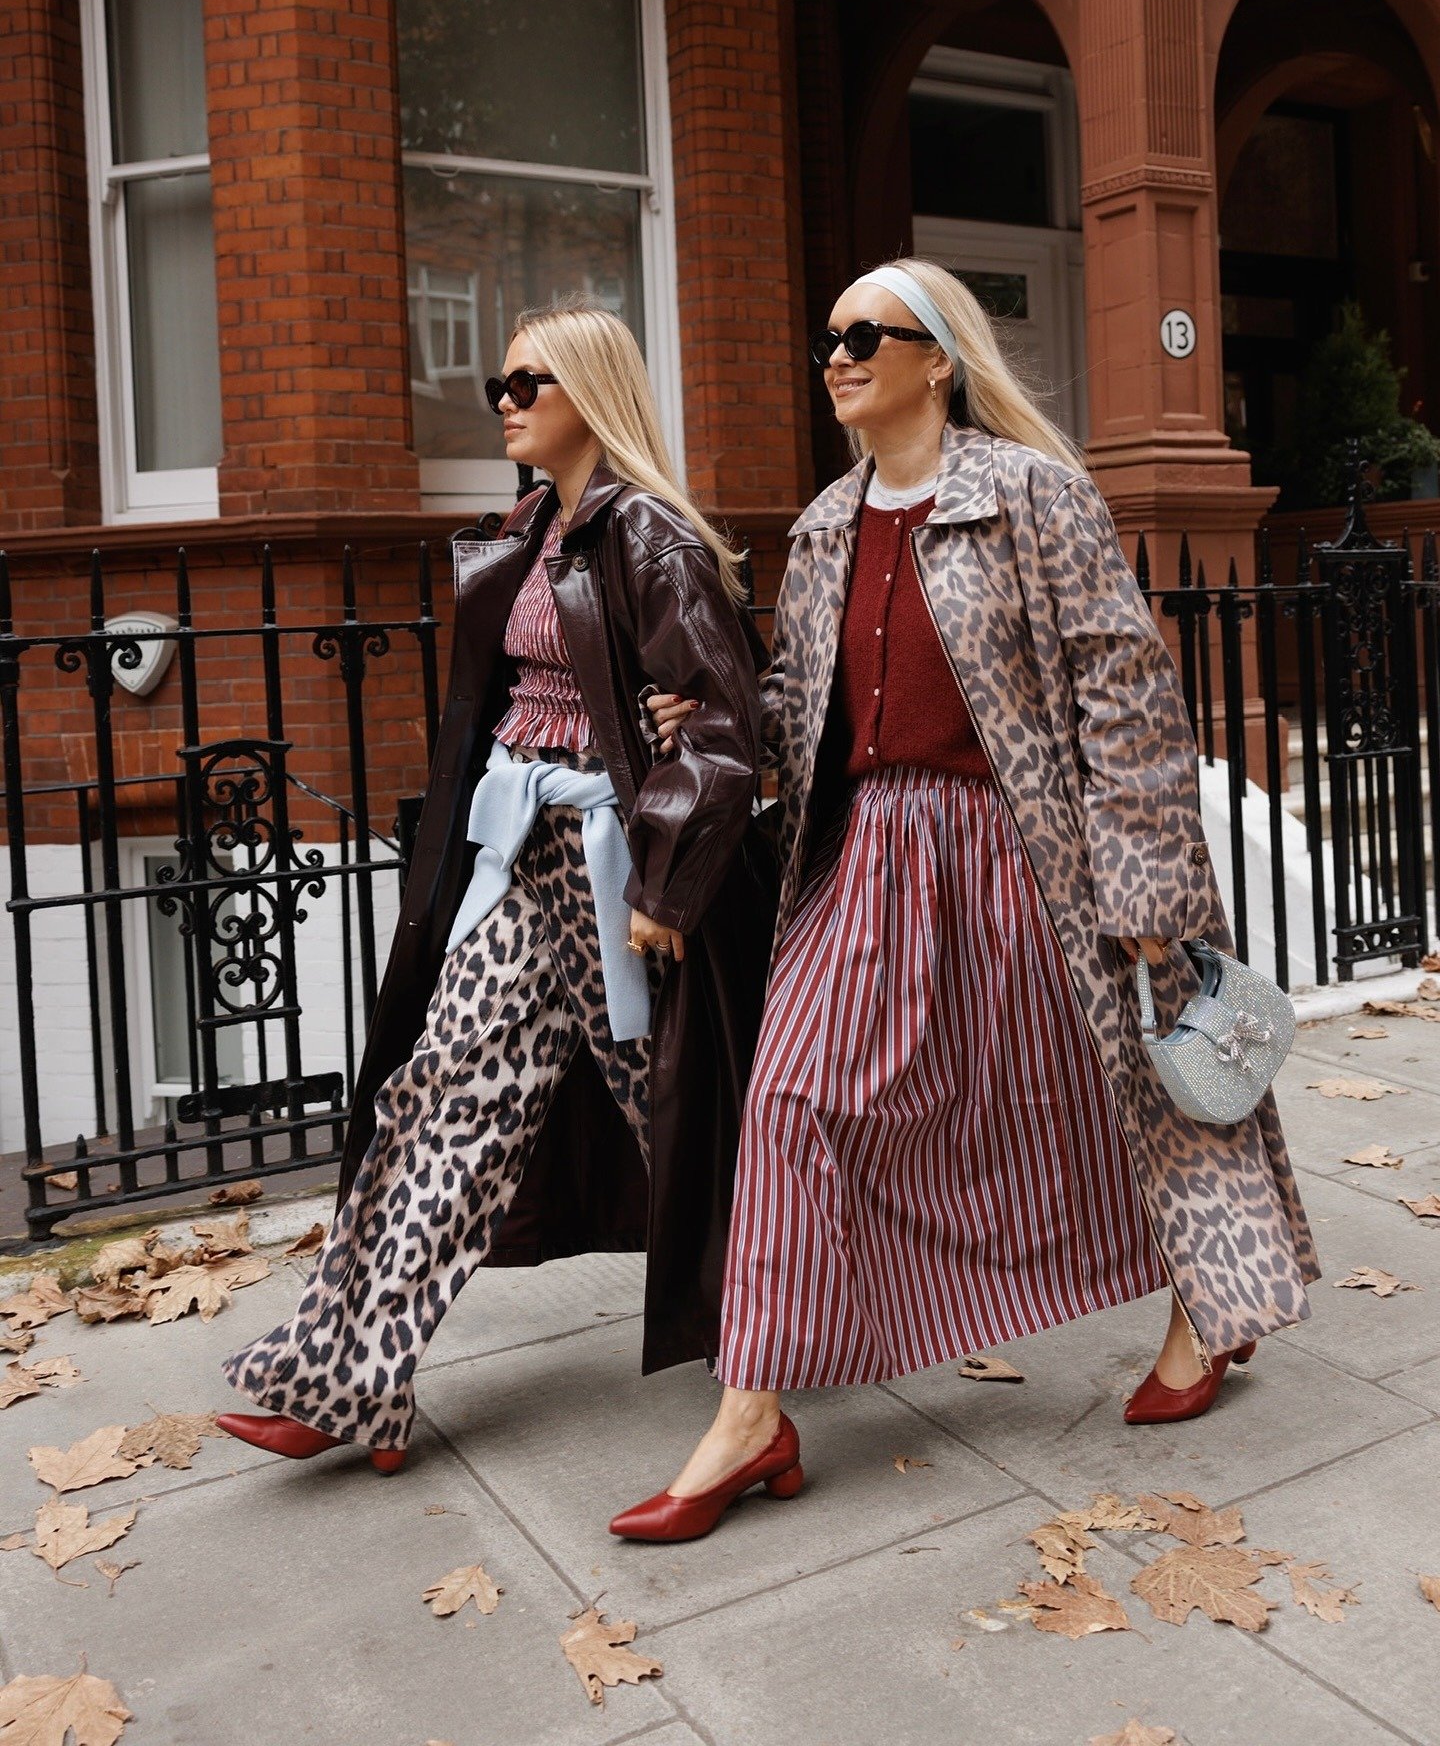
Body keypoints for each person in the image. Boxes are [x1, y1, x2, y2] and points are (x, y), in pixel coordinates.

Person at [610, 257, 1318, 1542]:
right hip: (873, 859)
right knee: (794, 1096)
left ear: (938, 358)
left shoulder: (1036, 495)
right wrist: (710, 713)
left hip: (1026, 846)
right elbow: (798, 714)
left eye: (866, 336)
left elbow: (1123, 682)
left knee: (1123, 1085)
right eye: (828, 338)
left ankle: (1207, 1302)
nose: (837, 357)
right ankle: (753, 1410)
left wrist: (1145, 876)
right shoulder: (827, 524)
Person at [218, 303, 773, 1472]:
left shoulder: (653, 540)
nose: (508, 401)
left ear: (591, 393)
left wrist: (666, 891)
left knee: (677, 1120)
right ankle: (346, 1378)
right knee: (440, 1092)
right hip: (520, 852)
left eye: (531, 381)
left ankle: (775, 1354)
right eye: (500, 385)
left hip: (619, 866)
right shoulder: (531, 529)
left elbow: (728, 731)